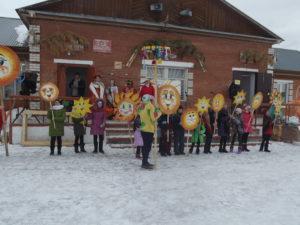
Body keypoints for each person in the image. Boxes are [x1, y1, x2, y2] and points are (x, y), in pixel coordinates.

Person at [138, 95, 161, 170]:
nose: (153, 101)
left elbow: (139, 114)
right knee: (147, 147)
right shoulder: (150, 106)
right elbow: (153, 118)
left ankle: (144, 162)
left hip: (143, 129)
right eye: (152, 100)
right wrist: (158, 111)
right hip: (149, 129)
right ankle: (145, 163)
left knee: (145, 146)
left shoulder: (141, 106)